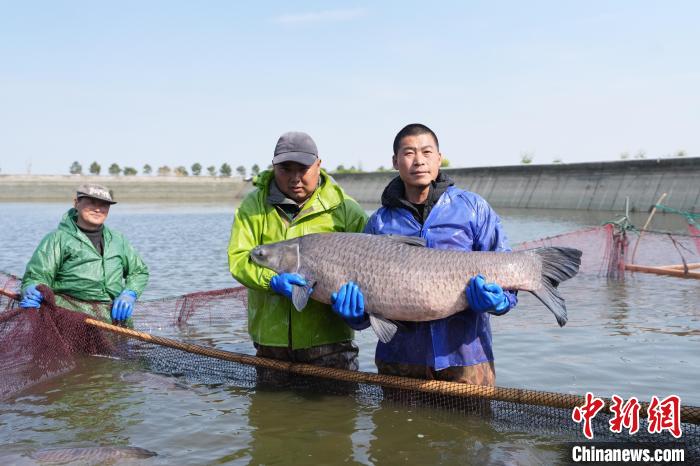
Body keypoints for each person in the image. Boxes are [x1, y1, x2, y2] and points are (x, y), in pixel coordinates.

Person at [338, 123, 517, 386]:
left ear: (439, 157)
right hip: (399, 359)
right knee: (396, 427)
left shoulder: (473, 209)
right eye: (409, 153)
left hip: (466, 357)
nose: (419, 161)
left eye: (426, 152)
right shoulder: (379, 223)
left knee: (472, 427)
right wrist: (357, 316)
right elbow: (368, 302)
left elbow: (508, 271)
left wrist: (500, 301)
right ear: (395, 161)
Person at [228, 131, 368, 370]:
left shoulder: (346, 209)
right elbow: (239, 259)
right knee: (270, 407)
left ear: (318, 165)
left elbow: (376, 262)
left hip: (331, 342)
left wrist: (360, 315)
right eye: (285, 169)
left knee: (338, 407)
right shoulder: (253, 206)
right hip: (271, 341)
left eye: (302, 169)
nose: (295, 178)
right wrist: (271, 281)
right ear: (273, 167)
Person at [19, 184, 149, 324]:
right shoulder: (57, 239)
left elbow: (139, 271)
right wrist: (31, 288)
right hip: (69, 319)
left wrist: (130, 293)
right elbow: (37, 276)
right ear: (76, 203)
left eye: (104, 205)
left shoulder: (118, 240)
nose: (98, 209)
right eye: (91, 203)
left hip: (114, 321)